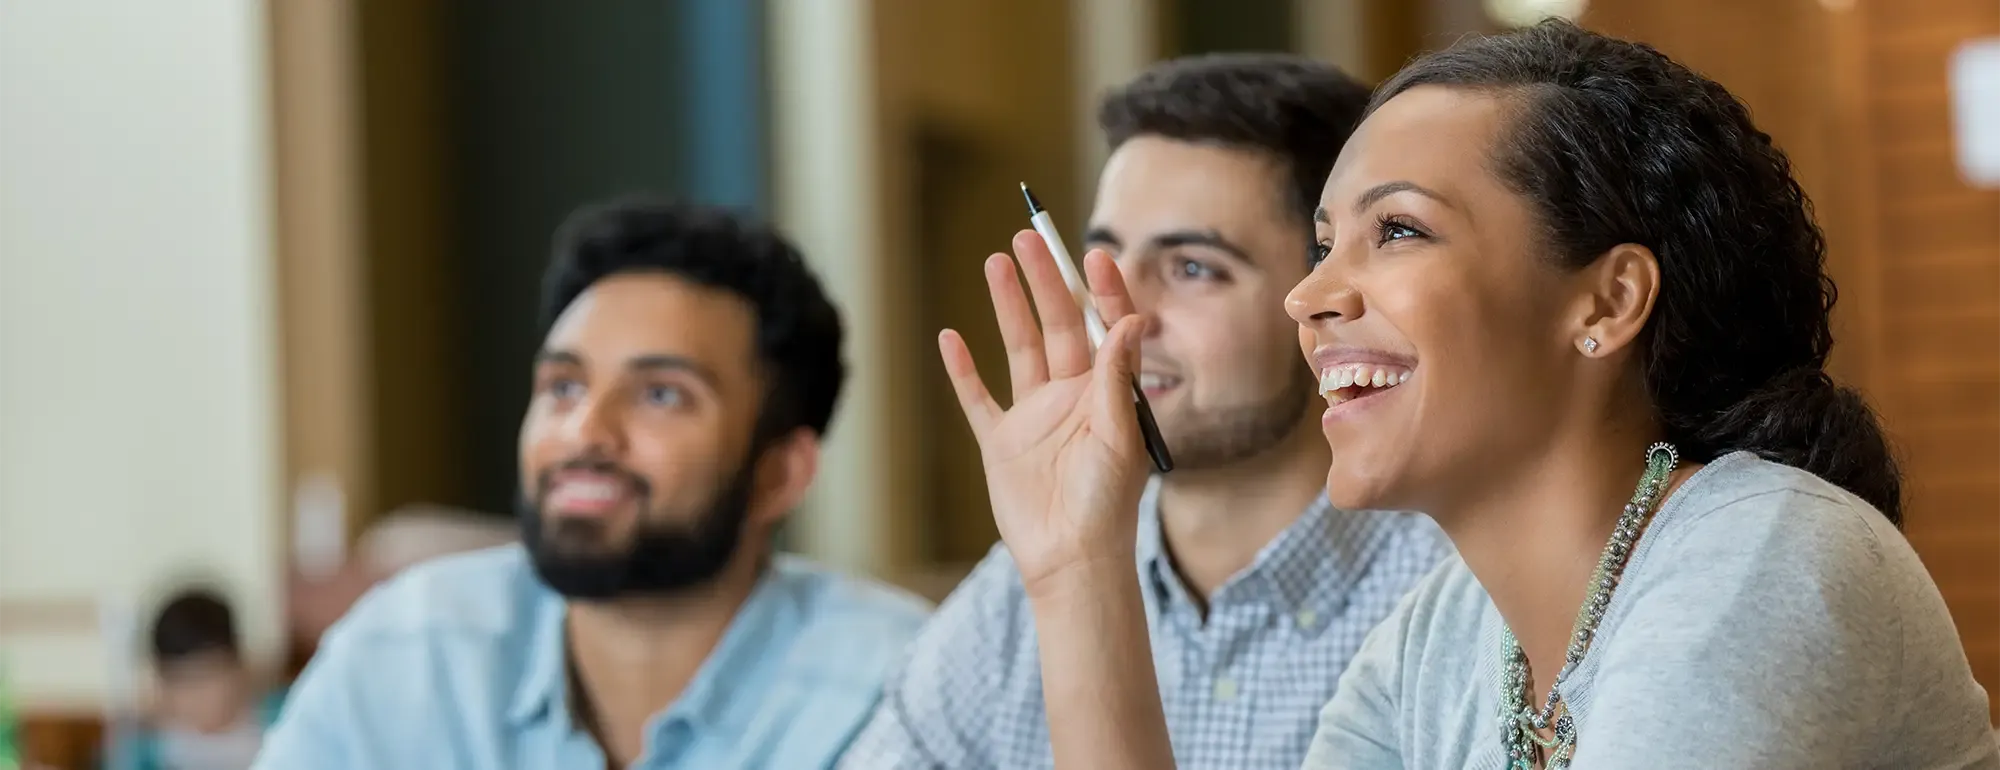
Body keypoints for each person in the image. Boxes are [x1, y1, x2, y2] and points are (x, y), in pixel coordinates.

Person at [936, 20, 1999, 770]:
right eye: (1319, 244)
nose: (1309, 295)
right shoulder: (1441, 637)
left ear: (1606, 297)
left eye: (1395, 229)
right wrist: (1077, 564)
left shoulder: (1761, 560)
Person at [840, 54, 1451, 770]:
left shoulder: (1447, 599)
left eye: (1194, 268)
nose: (1116, 318)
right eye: (1100, 261)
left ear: (1325, 295)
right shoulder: (1019, 589)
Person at [255, 198, 932, 769]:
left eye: (661, 395)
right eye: (565, 386)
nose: (585, 431)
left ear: (780, 474)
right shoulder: (408, 656)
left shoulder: (898, 696)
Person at [110, 589, 285, 770]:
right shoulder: (139, 750)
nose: (196, 696)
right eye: (180, 680)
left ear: (238, 665)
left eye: (207, 675)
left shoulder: (287, 722)